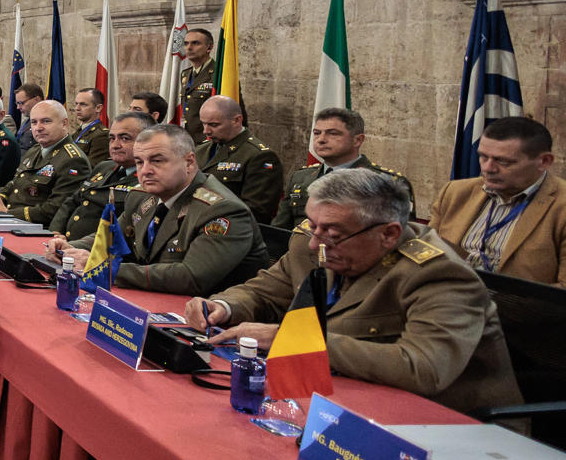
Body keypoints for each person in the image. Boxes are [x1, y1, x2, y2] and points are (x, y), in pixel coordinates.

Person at [188, 170, 522, 413]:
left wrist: (292, 340)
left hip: (441, 427)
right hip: (337, 400)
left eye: (332, 234)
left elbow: (422, 368)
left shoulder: (438, 274)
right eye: (313, 226)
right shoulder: (313, 243)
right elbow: (263, 292)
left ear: (389, 234)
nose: (316, 242)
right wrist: (222, 306)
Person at [50, 124, 268, 294]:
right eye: (139, 162)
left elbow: (190, 277)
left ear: (189, 163)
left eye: (157, 161)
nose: (145, 171)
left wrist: (103, 269)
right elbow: (113, 236)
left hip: (204, 321)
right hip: (151, 300)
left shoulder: (222, 210)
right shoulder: (143, 195)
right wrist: (70, 248)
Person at [430, 116, 565, 285]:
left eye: (503, 161)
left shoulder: (561, 206)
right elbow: (425, 256)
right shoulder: (455, 192)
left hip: (517, 309)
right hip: (444, 300)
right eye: (483, 157)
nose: (488, 168)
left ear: (544, 161)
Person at [271, 108, 414, 230]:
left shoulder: (385, 181)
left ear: (357, 140)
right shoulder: (301, 177)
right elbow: (279, 231)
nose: (321, 139)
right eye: (317, 133)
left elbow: (401, 236)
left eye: (333, 133)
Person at [48, 111, 145, 243]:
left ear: (146, 141)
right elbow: (72, 201)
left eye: (125, 138)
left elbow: (121, 231)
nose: (115, 145)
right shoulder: (104, 167)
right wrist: (55, 232)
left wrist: (73, 245)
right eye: (112, 138)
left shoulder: (146, 181)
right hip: (66, 244)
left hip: (98, 252)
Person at [0, 100, 91, 226]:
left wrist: (9, 213)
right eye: (34, 122)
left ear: (64, 124)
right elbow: (16, 182)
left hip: (38, 229)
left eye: (46, 121)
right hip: (13, 222)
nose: (38, 128)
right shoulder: (35, 150)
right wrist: (0, 196)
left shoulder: (73, 160)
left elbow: (55, 209)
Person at [194, 96, 283, 224]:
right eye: (203, 123)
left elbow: (257, 212)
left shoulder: (258, 156)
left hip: (229, 231)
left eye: (213, 125)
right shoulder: (201, 150)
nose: (206, 131)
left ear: (236, 120)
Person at [178, 28, 217, 137]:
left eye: (195, 43)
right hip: (188, 137)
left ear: (209, 47)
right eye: (186, 44)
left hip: (208, 139)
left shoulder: (219, 74)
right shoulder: (186, 74)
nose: (189, 48)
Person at [69, 89, 111, 163]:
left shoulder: (101, 135)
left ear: (98, 108)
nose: (77, 108)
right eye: (76, 104)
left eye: (83, 104)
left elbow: (93, 167)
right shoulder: (79, 132)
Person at [13, 83, 45, 151]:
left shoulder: (46, 122)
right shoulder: (26, 121)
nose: (18, 107)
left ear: (37, 99)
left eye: (21, 103)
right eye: (17, 103)